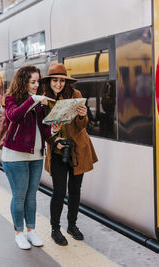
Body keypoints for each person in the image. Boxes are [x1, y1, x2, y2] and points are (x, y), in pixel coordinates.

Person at [2, 65, 61, 250]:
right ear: (23, 81)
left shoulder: (38, 103)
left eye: (37, 81)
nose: (36, 85)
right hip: (15, 156)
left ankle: (31, 230)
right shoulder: (11, 99)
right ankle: (19, 233)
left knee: (31, 196)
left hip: (36, 155)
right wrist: (33, 100)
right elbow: (14, 116)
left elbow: (42, 129)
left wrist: (53, 129)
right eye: (32, 82)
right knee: (19, 196)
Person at [41, 63, 98, 246]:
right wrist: (53, 133)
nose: (58, 84)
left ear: (66, 82)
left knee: (75, 191)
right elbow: (44, 129)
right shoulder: (44, 100)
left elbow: (82, 126)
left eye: (61, 81)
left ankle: (72, 225)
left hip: (77, 149)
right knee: (58, 192)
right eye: (55, 80)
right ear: (49, 82)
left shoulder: (76, 95)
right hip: (57, 150)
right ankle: (55, 229)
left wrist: (83, 115)